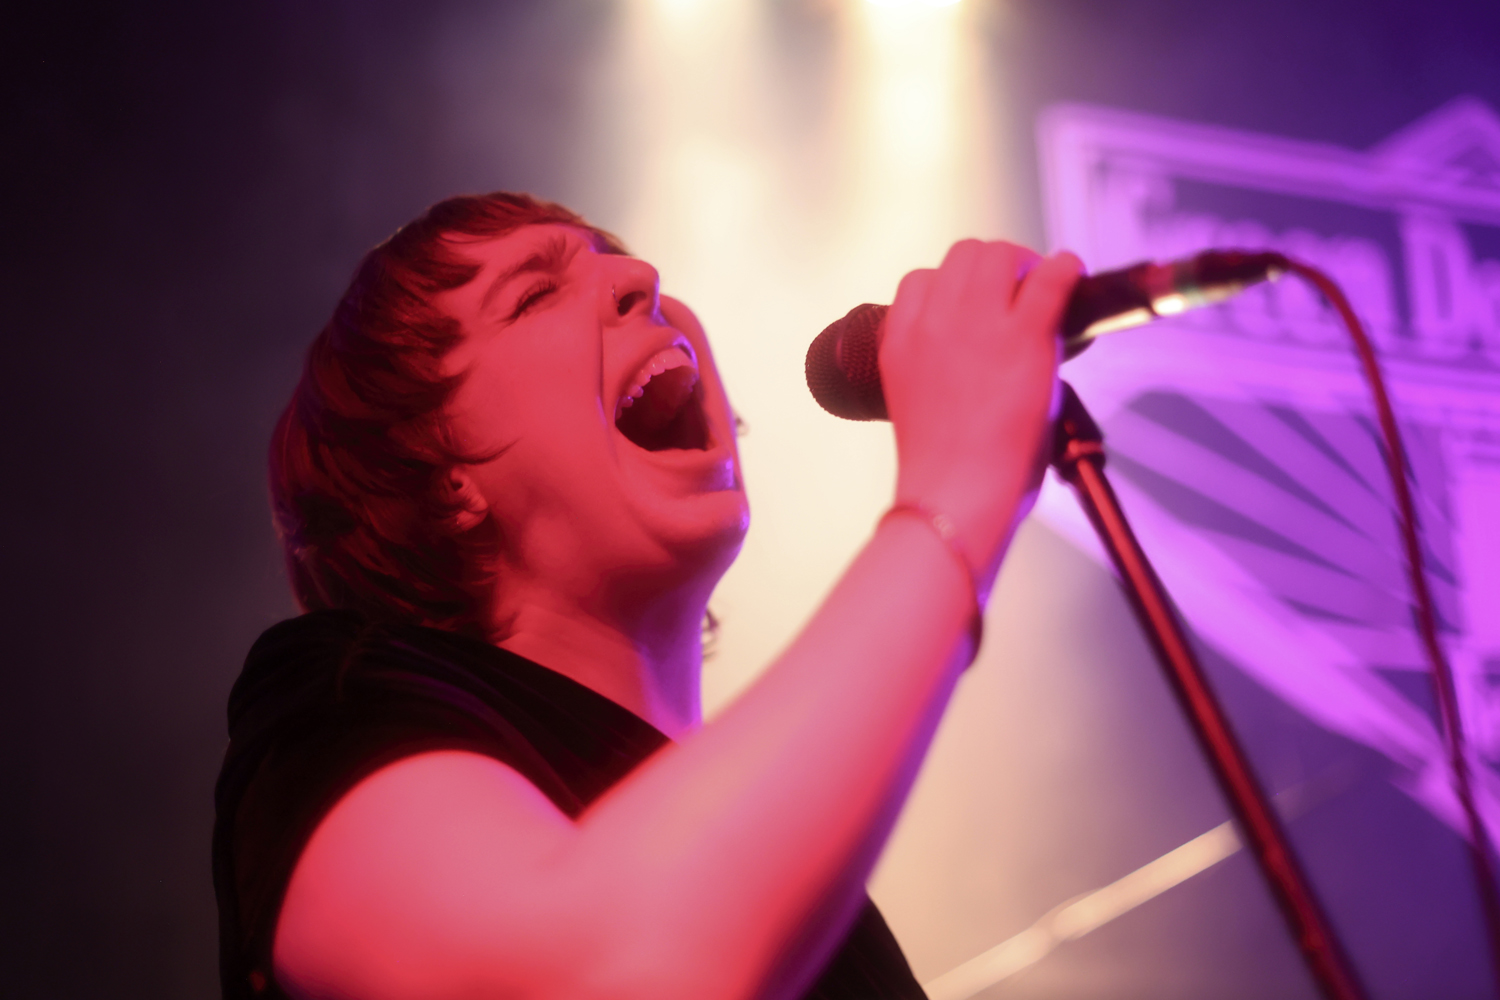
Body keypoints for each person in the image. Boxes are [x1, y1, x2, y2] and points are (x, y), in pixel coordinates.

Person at [213, 191, 1081, 1000]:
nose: (639, 276)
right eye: (534, 294)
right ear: (441, 475)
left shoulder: (811, 896)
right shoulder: (335, 708)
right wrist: (953, 495)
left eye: (613, 257)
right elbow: (598, 974)